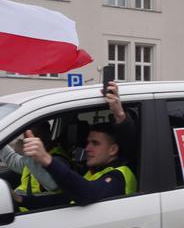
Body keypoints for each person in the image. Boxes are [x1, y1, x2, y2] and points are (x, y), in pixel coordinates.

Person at [13, 81, 137, 209]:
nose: (87, 148)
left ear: (113, 149)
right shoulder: (92, 172)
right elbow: (64, 199)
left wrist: (47, 159)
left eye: (95, 143)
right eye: (88, 142)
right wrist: (20, 199)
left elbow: (86, 193)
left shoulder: (118, 177)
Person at [0, 121, 70, 197]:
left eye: (35, 135)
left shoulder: (57, 159)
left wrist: (26, 153)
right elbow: (14, 161)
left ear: (47, 135)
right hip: (22, 200)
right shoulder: (37, 155)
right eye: (27, 136)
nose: (29, 138)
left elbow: (53, 185)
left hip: (37, 206)